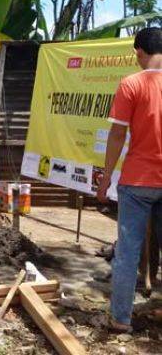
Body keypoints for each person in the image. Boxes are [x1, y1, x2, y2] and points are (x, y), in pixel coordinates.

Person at [97, 27, 162, 332]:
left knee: (128, 251)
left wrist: (106, 176)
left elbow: (117, 134)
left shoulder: (131, 83)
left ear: (139, 52)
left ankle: (121, 319)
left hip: (138, 181)